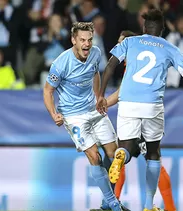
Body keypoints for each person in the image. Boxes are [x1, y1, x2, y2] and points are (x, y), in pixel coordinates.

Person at [96, 9, 183, 211]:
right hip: (151, 108)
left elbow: (113, 76)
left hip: (129, 108)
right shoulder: (165, 48)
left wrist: (101, 98)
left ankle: (113, 203)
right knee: (154, 156)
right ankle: (150, 205)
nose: (119, 44)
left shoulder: (130, 55)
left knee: (122, 152)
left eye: (120, 41)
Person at [43, 22, 127, 211]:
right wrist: (53, 113)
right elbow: (48, 91)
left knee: (115, 156)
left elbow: (95, 73)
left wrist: (98, 97)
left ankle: (107, 201)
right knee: (94, 157)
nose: (87, 44)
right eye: (82, 40)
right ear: (73, 40)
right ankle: (113, 203)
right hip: (73, 116)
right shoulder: (61, 63)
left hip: (93, 110)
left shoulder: (96, 53)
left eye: (89, 39)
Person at [101, 31, 176, 211]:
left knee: (127, 157)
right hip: (147, 117)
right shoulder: (138, 62)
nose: (118, 48)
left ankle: (114, 203)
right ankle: (167, 208)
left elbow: (120, 94)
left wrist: (102, 103)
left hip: (135, 119)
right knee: (152, 159)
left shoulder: (132, 65)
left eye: (122, 44)